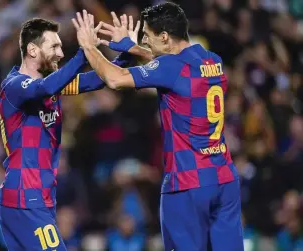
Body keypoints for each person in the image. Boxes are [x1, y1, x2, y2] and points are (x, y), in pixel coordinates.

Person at [72, 4, 243, 251]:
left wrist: (89, 47)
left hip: (187, 183)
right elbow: (171, 66)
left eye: (148, 38)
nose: (147, 44)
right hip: (224, 178)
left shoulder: (170, 68)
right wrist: (132, 47)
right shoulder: (212, 60)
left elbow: (115, 78)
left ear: (164, 36)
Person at [0, 17, 138, 251]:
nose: (60, 53)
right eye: (54, 46)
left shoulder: (52, 83)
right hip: (25, 197)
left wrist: (127, 51)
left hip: (38, 198)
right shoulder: (14, 86)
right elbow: (44, 88)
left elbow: (98, 80)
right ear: (32, 49)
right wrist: (85, 51)